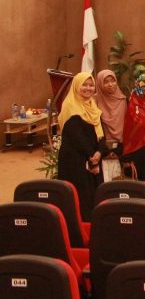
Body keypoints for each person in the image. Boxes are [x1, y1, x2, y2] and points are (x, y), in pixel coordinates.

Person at [57, 72, 106, 220]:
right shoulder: (70, 106)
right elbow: (76, 137)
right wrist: (93, 155)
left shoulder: (92, 105)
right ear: (76, 86)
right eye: (84, 85)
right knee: (80, 198)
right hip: (75, 161)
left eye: (91, 85)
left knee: (94, 196)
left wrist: (99, 152)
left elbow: (101, 133)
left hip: (93, 159)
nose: (88, 88)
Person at [94, 69, 126, 146]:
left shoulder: (123, 100)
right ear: (99, 83)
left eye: (112, 81)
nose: (110, 84)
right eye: (106, 82)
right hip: (101, 145)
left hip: (123, 144)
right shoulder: (94, 100)